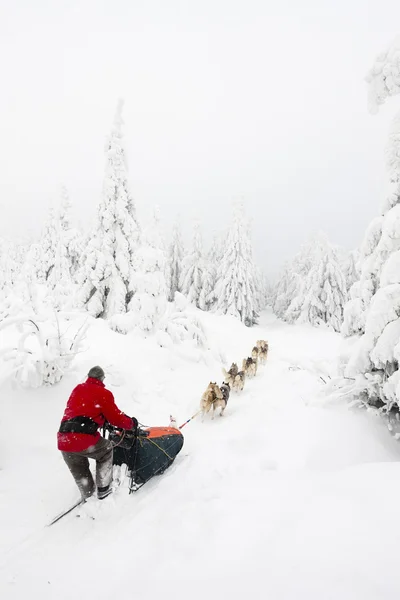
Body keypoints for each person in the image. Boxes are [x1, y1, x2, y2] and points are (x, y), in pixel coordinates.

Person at [57, 366, 137, 500]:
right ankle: (104, 490)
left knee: (78, 465)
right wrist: (131, 424)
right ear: (101, 378)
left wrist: (99, 419)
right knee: (106, 451)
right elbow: (115, 418)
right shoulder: (103, 393)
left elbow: (80, 411)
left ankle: (88, 494)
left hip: (64, 440)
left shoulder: (78, 389)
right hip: (83, 439)